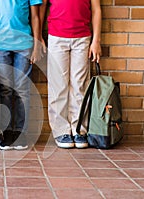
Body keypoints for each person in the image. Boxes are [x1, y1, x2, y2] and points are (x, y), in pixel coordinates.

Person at [43, 0, 102, 149]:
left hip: (82, 38)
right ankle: (61, 131)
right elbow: (42, 6)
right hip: (57, 37)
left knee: (80, 85)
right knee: (58, 86)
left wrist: (96, 40)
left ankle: (79, 129)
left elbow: (96, 10)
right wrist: (39, 37)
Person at [0, 0, 43, 150]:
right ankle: (6, 132)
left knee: (22, 89)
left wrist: (36, 46)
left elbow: (35, 16)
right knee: (5, 89)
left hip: (24, 46)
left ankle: (20, 132)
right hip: (0, 46)